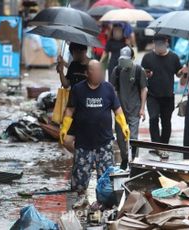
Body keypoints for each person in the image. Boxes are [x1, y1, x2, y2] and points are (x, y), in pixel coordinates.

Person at [59, 60, 130, 208]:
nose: (99, 73)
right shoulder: (78, 89)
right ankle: (81, 197)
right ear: (87, 73)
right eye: (95, 70)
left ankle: (102, 201)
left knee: (105, 176)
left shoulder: (108, 88)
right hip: (83, 142)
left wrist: (123, 125)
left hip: (104, 142)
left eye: (100, 70)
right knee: (80, 174)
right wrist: (64, 127)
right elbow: (70, 109)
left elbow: (117, 109)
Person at [141, 34, 187, 149]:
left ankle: (164, 146)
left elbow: (178, 73)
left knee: (166, 122)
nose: (159, 47)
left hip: (168, 96)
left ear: (166, 42)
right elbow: (143, 74)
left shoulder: (173, 57)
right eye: (157, 45)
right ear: (154, 43)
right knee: (153, 118)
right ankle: (156, 146)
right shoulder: (147, 57)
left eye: (161, 44)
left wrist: (183, 71)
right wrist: (146, 74)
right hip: (152, 95)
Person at [110, 46, 148, 170]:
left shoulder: (138, 71)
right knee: (120, 138)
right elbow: (112, 89)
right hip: (120, 111)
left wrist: (142, 108)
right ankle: (125, 158)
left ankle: (134, 163)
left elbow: (144, 89)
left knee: (133, 138)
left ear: (132, 58)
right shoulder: (116, 70)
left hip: (134, 110)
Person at [56, 43, 90, 152]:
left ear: (83, 51)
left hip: (88, 109)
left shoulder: (92, 65)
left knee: (85, 139)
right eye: (72, 53)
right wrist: (61, 71)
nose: (73, 56)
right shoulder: (73, 65)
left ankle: (85, 160)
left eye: (75, 53)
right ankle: (81, 157)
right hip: (73, 108)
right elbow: (66, 84)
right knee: (66, 140)